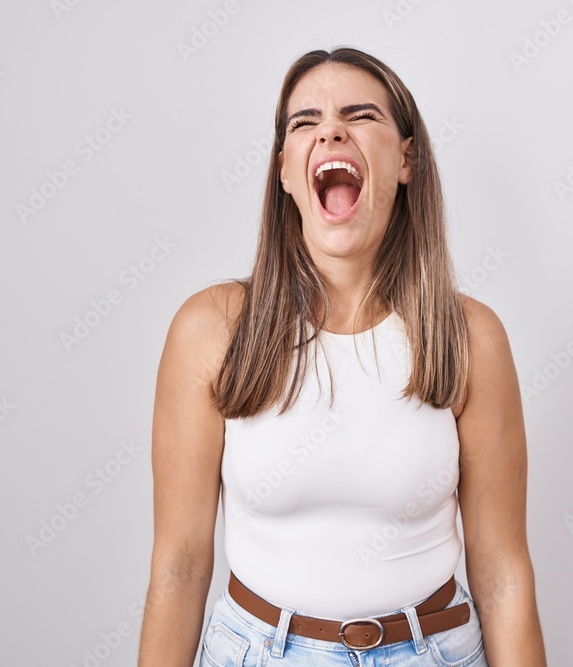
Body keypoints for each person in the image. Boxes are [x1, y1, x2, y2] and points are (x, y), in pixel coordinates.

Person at [137, 46, 547, 666]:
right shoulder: (212, 330)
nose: (331, 129)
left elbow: (503, 571)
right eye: (306, 122)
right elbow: (179, 564)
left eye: (361, 116)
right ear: (283, 170)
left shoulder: (469, 337)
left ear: (406, 159)